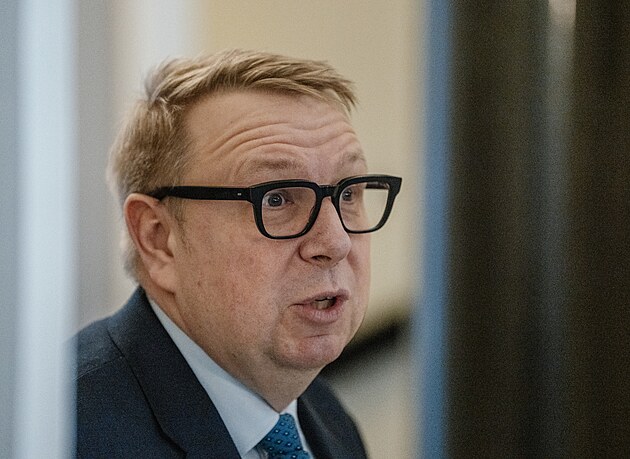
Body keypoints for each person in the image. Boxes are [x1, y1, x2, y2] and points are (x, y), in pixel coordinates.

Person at [74, 49, 402, 458]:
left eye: (348, 193)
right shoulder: (61, 432)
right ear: (158, 238)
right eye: (276, 198)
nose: (335, 243)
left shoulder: (326, 417)